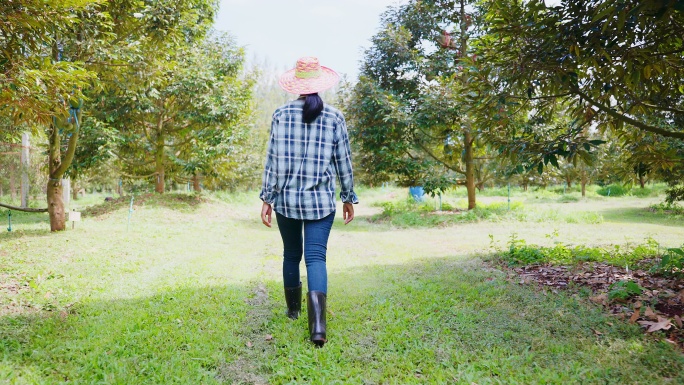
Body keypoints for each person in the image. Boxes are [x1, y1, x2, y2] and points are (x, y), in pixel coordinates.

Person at [259, 56, 359, 347]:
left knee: (291, 255)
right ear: (320, 85)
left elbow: (272, 162)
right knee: (316, 259)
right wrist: (348, 197)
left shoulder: (280, 115)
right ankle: (317, 329)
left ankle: (293, 311)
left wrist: (267, 197)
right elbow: (344, 163)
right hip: (320, 203)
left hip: (286, 202)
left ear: (296, 86)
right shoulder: (334, 117)